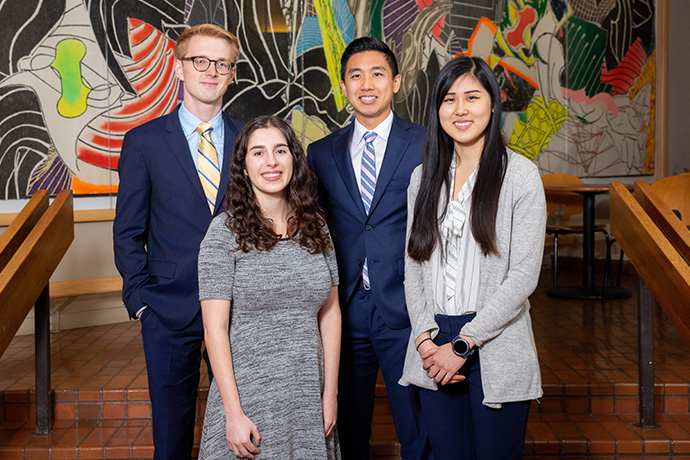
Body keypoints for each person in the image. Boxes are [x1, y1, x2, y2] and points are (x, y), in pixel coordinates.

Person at [399, 55, 546, 460]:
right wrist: (426, 340)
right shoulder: (423, 177)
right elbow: (414, 264)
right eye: (449, 99)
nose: (460, 109)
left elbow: (523, 276)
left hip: (494, 340)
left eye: (472, 97)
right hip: (433, 339)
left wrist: (462, 345)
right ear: (438, 110)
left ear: (493, 105)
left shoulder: (520, 176)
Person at [113, 24, 242, 460]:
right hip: (168, 310)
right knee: (171, 436)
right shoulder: (144, 142)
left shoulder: (252, 142)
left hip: (242, 308)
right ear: (178, 68)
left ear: (232, 73)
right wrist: (141, 300)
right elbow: (128, 231)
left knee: (246, 425)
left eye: (221, 63)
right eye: (200, 61)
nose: (211, 71)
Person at [307, 37, 430, 459]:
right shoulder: (321, 152)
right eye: (355, 75)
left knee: (416, 423)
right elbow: (314, 228)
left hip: (406, 308)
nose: (367, 83)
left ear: (395, 82)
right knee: (348, 424)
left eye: (377, 74)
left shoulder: (426, 144)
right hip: (345, 309)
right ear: (344, 86)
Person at [197, 115, 341, 459]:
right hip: (248, 396)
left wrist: (330, 393)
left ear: (294, 159)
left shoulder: (315, 226)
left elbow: (331, 312)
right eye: (258, 153)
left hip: (307, 390)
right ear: (244, 167)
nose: (272, 161)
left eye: (280, 150)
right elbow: (213, 328)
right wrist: (233, 413)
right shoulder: (224, 233)